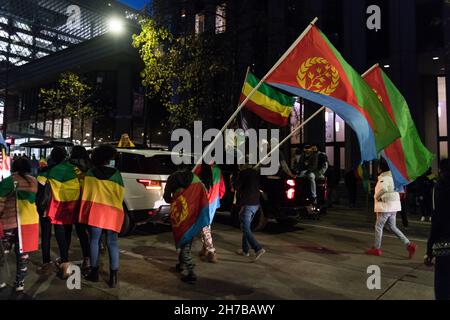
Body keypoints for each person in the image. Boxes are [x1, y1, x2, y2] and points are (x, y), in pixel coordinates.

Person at [80, 145, 124, 288]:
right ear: (109, 158)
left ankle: (94, 273)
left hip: (96, 211)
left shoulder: (90, 173)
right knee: (112, 243)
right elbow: (120, 194)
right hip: (113, 211)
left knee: (94, 241)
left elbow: (86, 194)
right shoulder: (116, 173)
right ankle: (113, 276)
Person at [0, 158, 39, 292]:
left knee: (3, 253)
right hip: (28, 222)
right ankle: (20, 282)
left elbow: (0, 201)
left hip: (10, 223)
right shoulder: (33, 181)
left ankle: (1, 280)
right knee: (22, 255)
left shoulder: (9, 181)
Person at [163, 165, 206, 284]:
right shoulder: (195, 178)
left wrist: (176, 198)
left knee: (183, 240)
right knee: (187, 239)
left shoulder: (172, 177)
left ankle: (191, 272)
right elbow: (202, 195)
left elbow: (166, 197)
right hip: (192, 214)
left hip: (179, 215)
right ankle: (181, 264)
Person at [366, 160, 417, 258]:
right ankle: (409, 245)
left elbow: (384, 189)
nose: (377, 168)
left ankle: (376, 248)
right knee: (392, 227)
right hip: (394, 206)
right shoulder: (392, 177)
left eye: (378, 167)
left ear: (381, 168)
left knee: (378, 226)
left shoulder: (384, 178)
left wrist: (376, 197)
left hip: (385, 206)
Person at [36, 147, 67, 276]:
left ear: (52, 157)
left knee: (46, 235)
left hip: (47, 208)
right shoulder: (68, 171)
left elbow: (40, 190)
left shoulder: (45, 172)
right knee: (61, 234)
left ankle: (46, 264)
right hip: (60, 207)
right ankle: (65, 264)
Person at [425, 159, 450, 300]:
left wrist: (430, 251)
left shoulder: (440, 186)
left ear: (441, 170)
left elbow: (438, 220)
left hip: (445, 242)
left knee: (443, 286)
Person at [68, 146, 93, 274]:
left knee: (81, 233)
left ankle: (86, 259)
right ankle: (91, 259)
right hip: (90, 202)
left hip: (76, 203)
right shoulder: (91, 167)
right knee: (93, 234)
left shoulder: (70, 167)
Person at [195, 163, 226, 263]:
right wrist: (217, 197)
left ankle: (211, 252)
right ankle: (205, 249)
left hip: (202, 201)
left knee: (204, 227)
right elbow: (222, 189)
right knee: (207, 226)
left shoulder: (199, 168)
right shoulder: (218, 170)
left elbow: (193, 184)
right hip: (213, 201)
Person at [235, 163, 266, 261]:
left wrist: (233, 179)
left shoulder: (243, 173)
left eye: (239, 166)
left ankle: (258, 248)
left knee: (245, 228)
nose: (239, 167)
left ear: (243, 165)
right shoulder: (256, 173)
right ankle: (245, 250)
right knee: (246, 227)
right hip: (255, 204)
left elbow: (236, 187)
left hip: (247, 204)